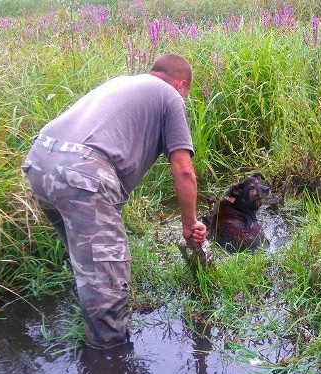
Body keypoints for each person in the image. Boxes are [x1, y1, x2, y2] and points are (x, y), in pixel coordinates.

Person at [21, 54, 207, 349]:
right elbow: (183, 169)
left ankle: (89, 323)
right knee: (107, 283)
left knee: (88, 265)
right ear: (182, 84)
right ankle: (110, 371)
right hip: (81, 174)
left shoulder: (123, 82)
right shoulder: (171, 96)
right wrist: (189, 224)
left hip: (39, 161)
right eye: (186, 91)